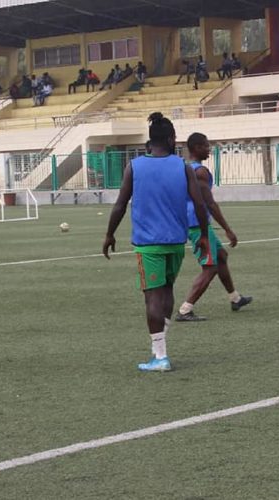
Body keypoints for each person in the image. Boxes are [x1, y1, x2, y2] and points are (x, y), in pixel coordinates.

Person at [103, 112, 210, 372]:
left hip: (148, 243)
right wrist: (205, 236)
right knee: (167, 291)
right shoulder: (183, 168)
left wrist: (109, 234)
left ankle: (160, 356)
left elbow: (120, 204)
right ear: (172, 139)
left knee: (152, 296)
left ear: (150, 141)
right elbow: (198, 203)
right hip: (176, 242)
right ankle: (160, 347)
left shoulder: (135, 166)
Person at [176, 133, 253, 321]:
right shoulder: (200, 172)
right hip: (197, 223)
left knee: (221, 256)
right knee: (209, 267)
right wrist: (227, 229)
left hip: (189, 220)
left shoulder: (184, 169)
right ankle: (185, 310)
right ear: (195, 148)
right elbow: (209, 203)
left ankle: (235, 298)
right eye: (205, 146)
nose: (209, 149)